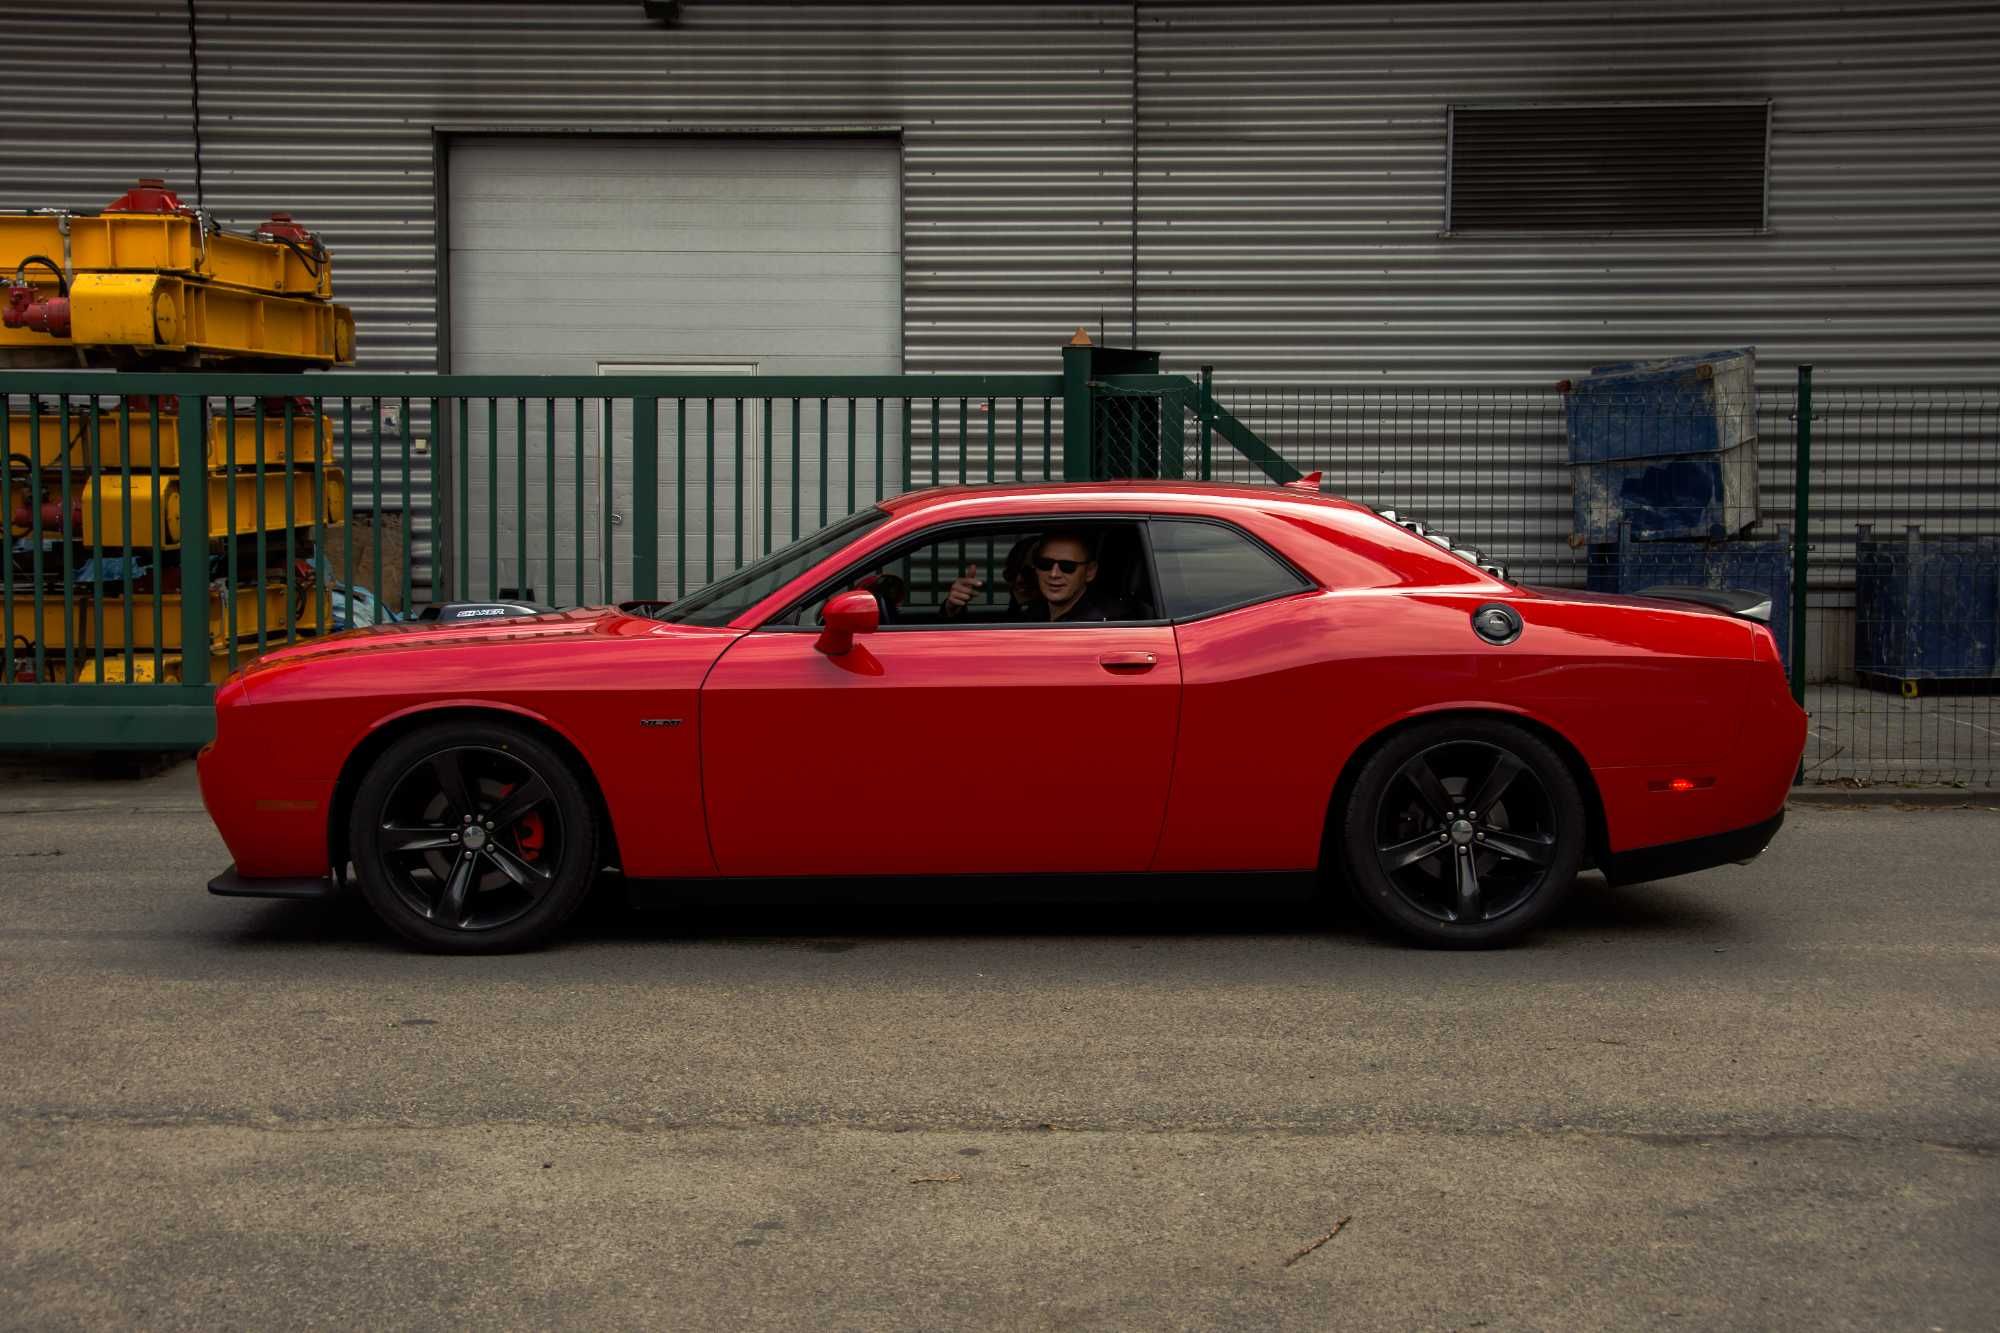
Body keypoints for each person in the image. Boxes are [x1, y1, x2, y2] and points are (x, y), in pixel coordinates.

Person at [938, 535, 1041, 620]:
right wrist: (951, 611)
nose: (1019, 580)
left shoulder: (1049, 624)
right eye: (1012, 573)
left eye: (1028, 573)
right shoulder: (1012, 618)